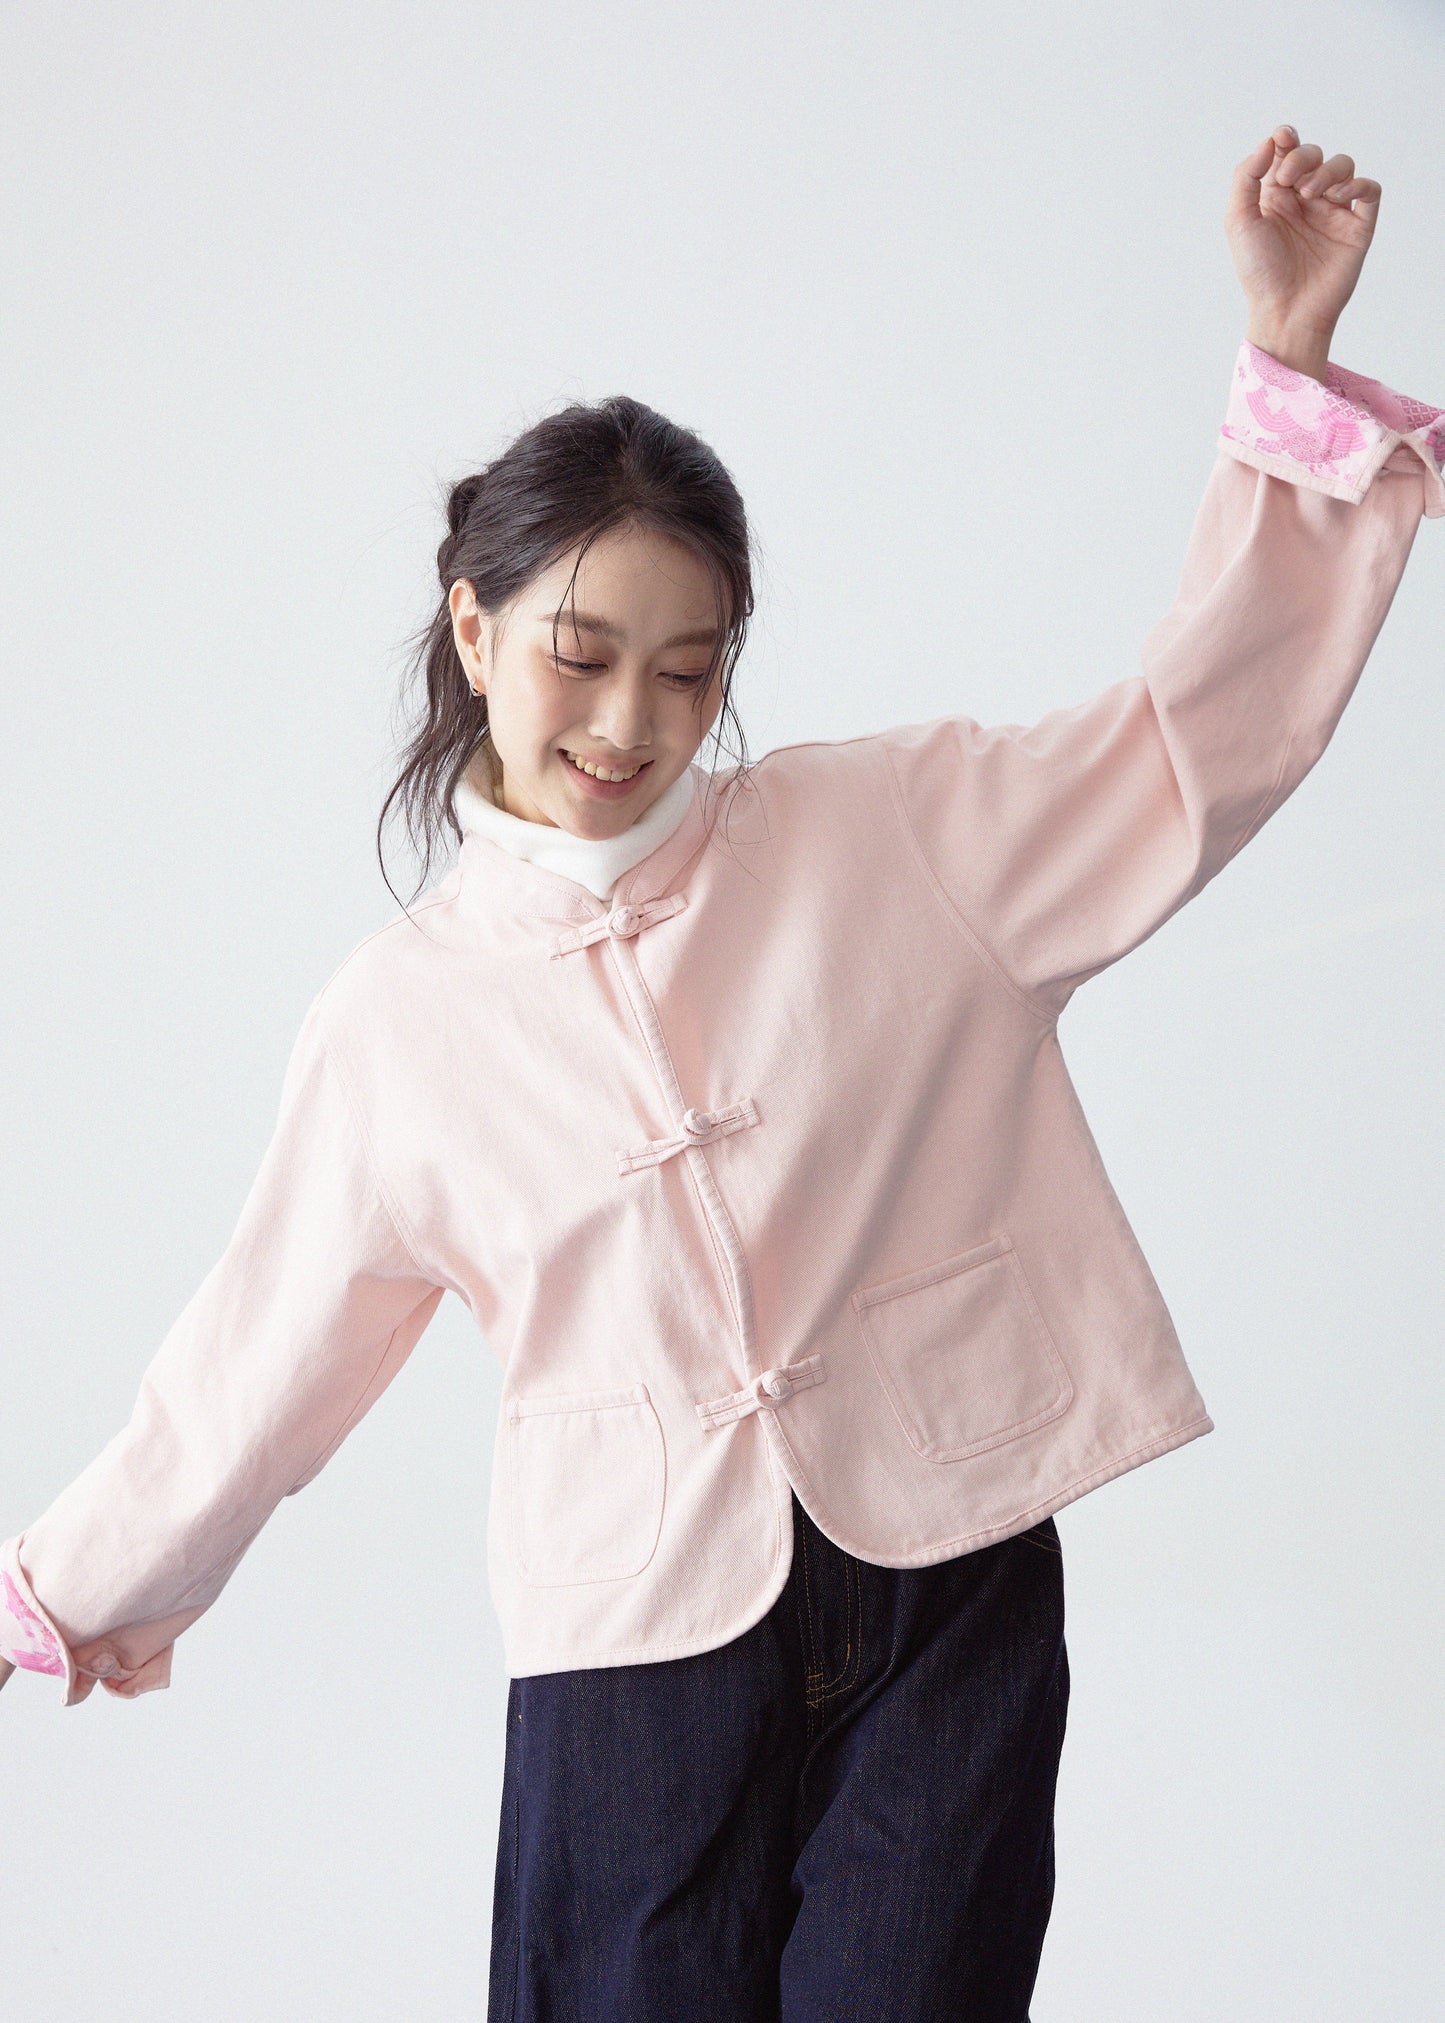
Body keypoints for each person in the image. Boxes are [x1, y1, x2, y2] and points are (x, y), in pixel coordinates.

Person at [3, 123, 1441, 2020]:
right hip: (634, 1637)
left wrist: (1282, 372)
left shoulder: (890, 832)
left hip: (945, 1576)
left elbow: (1190, 747)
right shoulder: (398, 1022)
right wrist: (68, 1586)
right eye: (581, 655)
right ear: (473, 628)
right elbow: (260, 1360)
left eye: (687, 672)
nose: (630, 722)